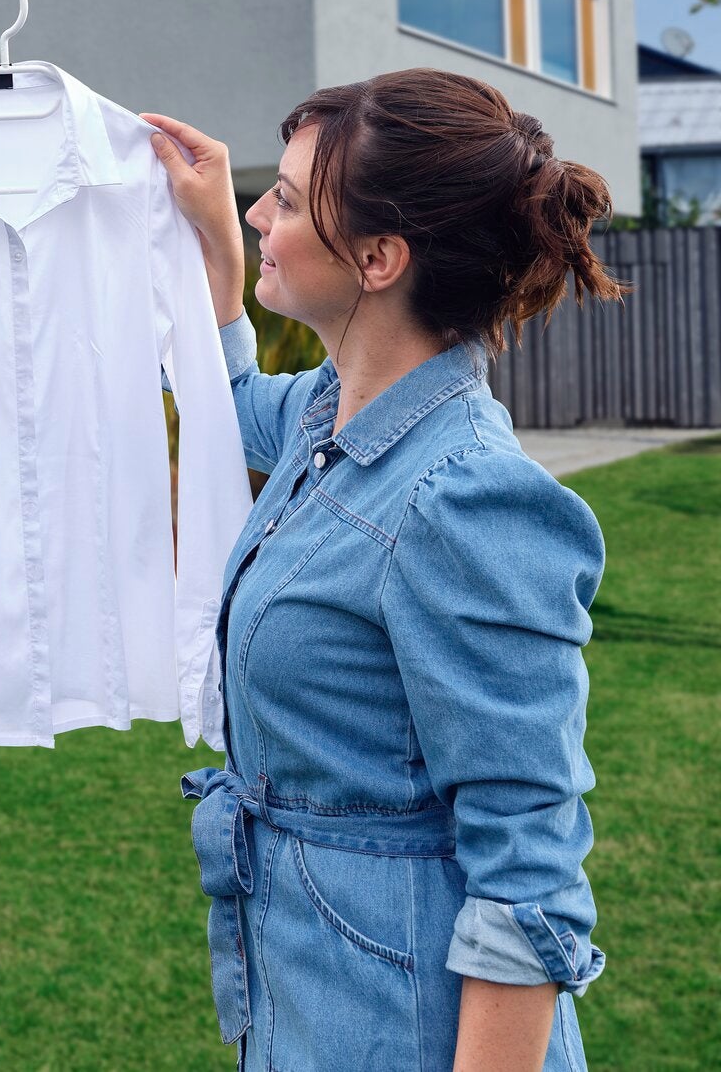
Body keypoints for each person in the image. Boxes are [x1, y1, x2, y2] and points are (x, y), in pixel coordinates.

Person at [139, 68, 626, 1072]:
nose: (256, 211)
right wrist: (221, 258)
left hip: (401, 1027)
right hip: (311, 1003)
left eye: (281, 197)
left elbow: (525, 873)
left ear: (377, 257)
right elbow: (228, 395)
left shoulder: (464, 499)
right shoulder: (335, 419)